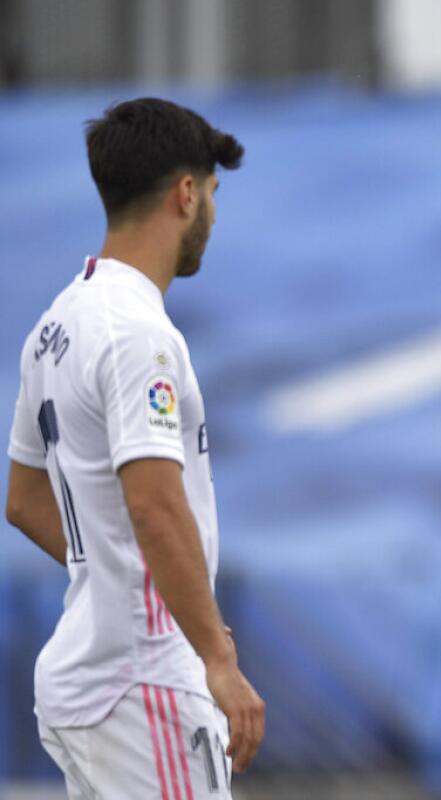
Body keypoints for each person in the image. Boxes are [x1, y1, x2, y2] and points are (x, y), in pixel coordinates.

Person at [5, 98, 265, 798]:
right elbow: (152, 505)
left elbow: (23, 499)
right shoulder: (138, 335)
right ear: (186, 194)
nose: (212, 210)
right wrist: (213, 651)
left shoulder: (54, 326)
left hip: (89, 677)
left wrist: (123, 578)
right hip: (144, 680)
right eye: (212, 192)